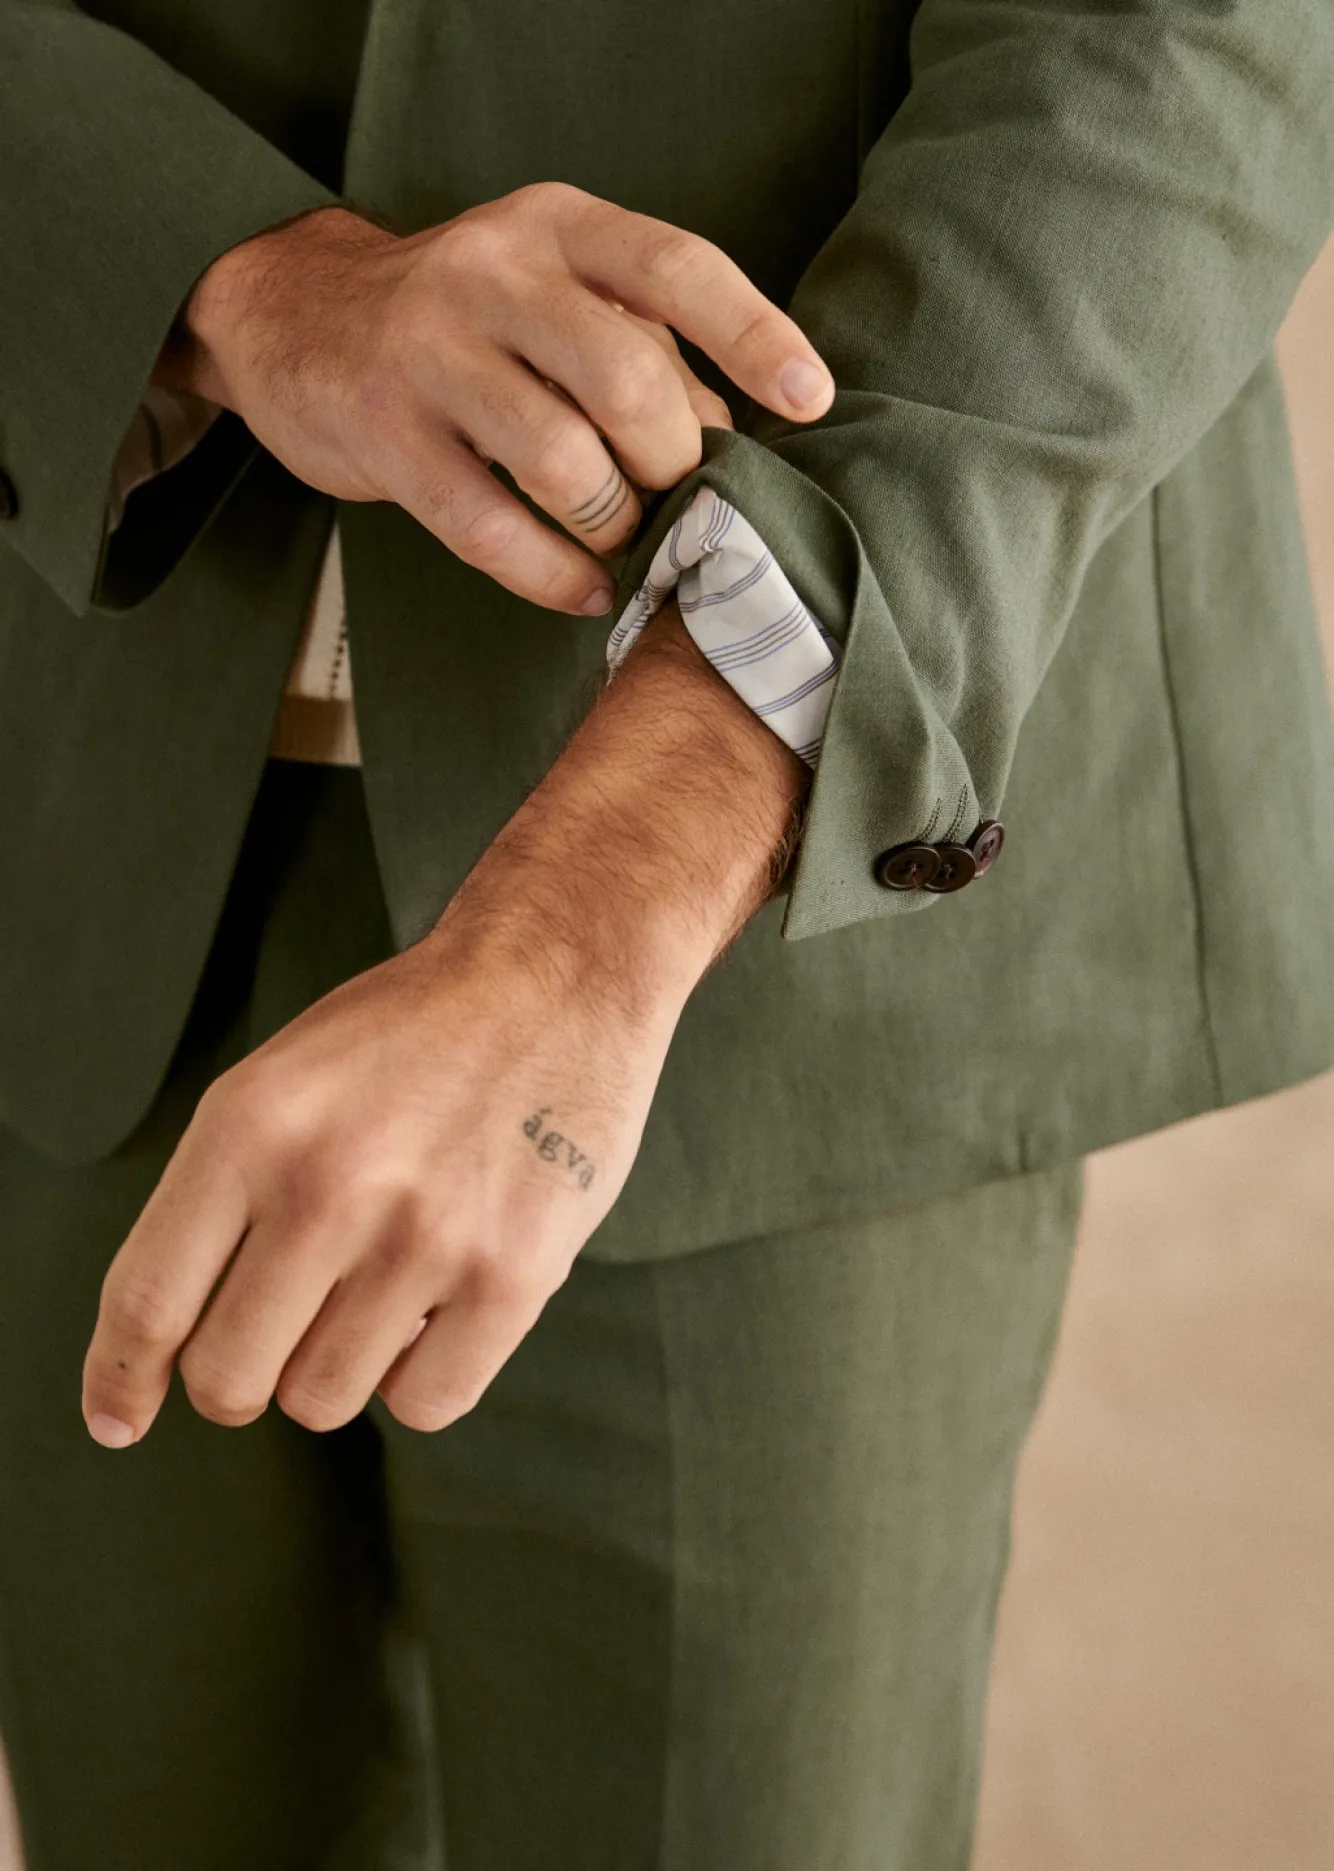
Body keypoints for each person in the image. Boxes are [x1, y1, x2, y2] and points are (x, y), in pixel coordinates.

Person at [0, 0, 1331, 1865]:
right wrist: (225, 275)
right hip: (79, 789)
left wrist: (598, 910)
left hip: (791, 957)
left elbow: (1170, 43)